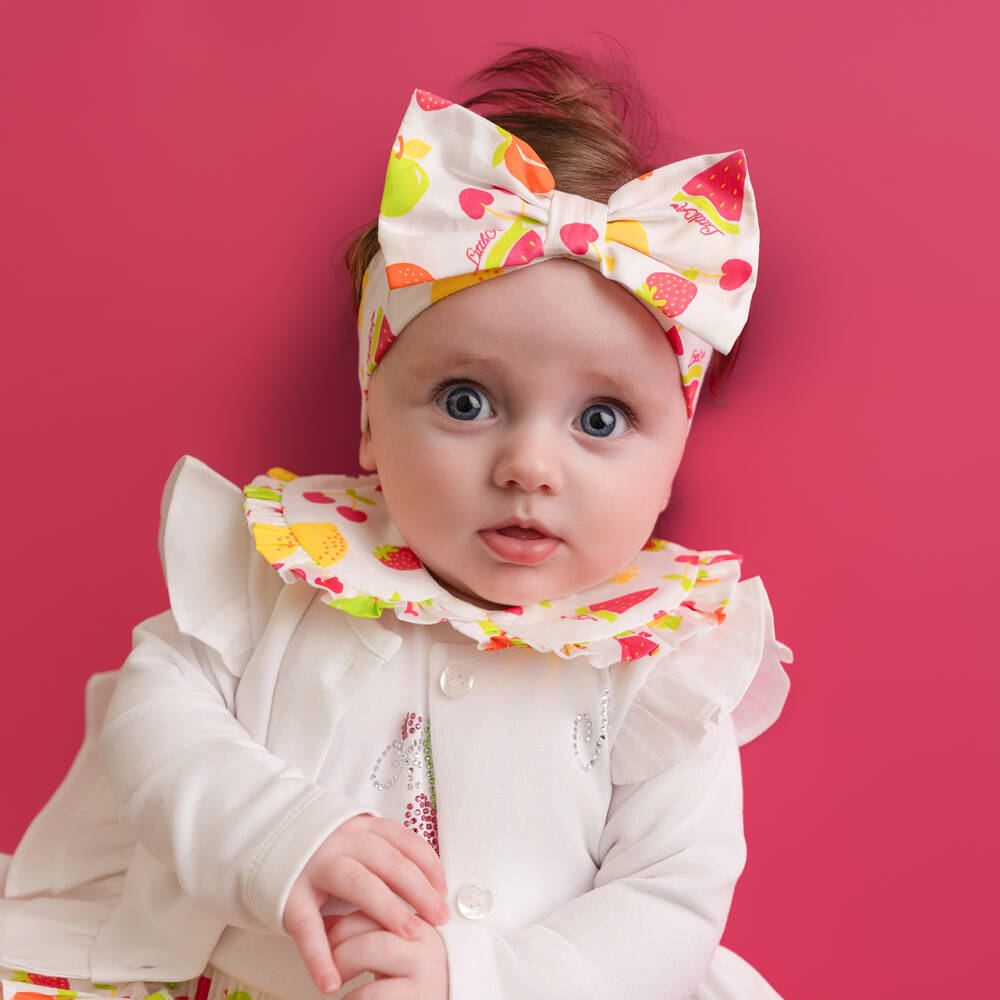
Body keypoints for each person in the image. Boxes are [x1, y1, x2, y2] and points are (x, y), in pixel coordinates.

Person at [0, 46, 793, 1000]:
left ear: (672, 461)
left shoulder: (659, 668)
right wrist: (279, 832)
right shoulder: (285, 575)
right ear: (372, 420)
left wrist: (476, 978)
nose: (529, 468)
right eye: (466, 401)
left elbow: (670, 903)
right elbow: (153, 719)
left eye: (600, 420)